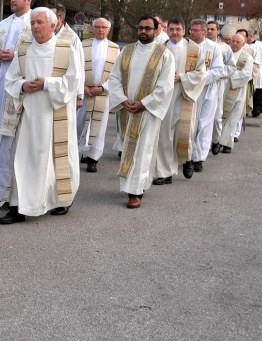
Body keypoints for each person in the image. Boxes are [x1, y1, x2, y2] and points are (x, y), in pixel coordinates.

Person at [0, 8, 80, 223]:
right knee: (24, 159)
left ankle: (60, 200)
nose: (35, 26)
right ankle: (18, 205)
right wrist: (24, 84)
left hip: (56, 114)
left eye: (40, 22)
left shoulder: (66, 48)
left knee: (56, 159)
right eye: (33, 22)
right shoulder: (23, 50)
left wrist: (46, 84)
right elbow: (10, 79)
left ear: (53, 26)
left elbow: (73, 81)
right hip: (29, 116)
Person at [107, 16, 175, 209]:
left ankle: (135, 192)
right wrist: (122, 100)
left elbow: (166, 86)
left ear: (157, 30)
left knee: (143, 150)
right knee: (129, 148)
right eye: (140, 28)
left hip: (148, 111)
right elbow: (114, 78)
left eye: (148, 28)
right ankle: (134, 186)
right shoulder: (126, 52)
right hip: (128, 109)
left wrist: (144, 103)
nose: (143, 32)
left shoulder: (164, 54)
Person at [0, 0, 34, 204]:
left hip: (20, 91)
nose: (12, 0)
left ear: (28, 1)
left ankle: (9, 189)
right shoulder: (3, 25)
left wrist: (14, 55)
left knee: (11, 140)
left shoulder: (36, 23)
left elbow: (42, 53)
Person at [151, 18, 206, 185]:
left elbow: (201, 73)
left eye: (178, 29)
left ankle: (187, 159)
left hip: (184, 95)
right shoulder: (159, 49)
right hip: (165, 97)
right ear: (168, 31)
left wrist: (181, 77)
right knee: (164, 135)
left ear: (184, 30)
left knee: (184, 134)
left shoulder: (194, 50)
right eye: (172, 29)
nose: (175, 32)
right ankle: (165, 173)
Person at [78, 18, 120, 173]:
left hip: (103, 93)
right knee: (80, 123)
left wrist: (103, 87)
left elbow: (117, 74)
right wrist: (82, 87)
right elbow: (76, 67)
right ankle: (81, 151)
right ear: (92, 28)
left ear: (108, 30)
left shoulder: (115, 49)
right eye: (97, 27)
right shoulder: (83, 45)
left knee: (99, 126)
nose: (100, 30)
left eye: (104, 27)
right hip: (84, 91)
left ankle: (93, 158)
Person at [188, 19, 225, 173]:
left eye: (196, 30)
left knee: (203, 124)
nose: (193, 33)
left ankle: (199, 158)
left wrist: (200, 78)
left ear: (204, 32)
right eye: (191, 30)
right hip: (188, 89)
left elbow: (218, 70)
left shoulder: (214, 48)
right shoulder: (186, 46)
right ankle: (187, 156)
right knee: (189, 125)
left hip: (207, 91)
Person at [213, 33, 254, 154]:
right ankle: (218, 140)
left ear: (243, 44)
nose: (234, 44)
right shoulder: (224, 54)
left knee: (232, 118)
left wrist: (227, 75)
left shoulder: (247, 58)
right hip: (222, 90)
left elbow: (246, 75)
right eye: (233, 41)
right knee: (220, 116)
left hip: (238, 91)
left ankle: (226, 144)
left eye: (238, 42)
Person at [208, 21, 237, 153]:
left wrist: (217, 72)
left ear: (218, 31)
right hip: (201, 83)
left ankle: (215, 140)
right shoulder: (197, 46)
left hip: (218, 83)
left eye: (212, 29)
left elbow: (231, 67)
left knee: (216, 115)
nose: (209, 31)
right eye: (207, 29)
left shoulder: (225, 47)